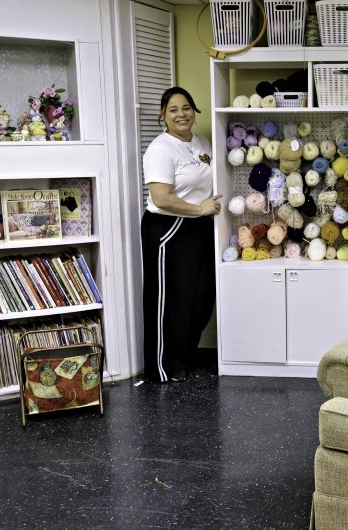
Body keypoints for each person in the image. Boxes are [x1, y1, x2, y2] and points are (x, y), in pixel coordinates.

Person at [141, 87, 222, 383]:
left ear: (194, 111)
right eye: (173, 109)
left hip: (199, 226)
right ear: (163, 115)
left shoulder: (202, 143)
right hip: (167, 228)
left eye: (186, 107)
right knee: (170, 298)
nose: (181, 114)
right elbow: (161, 198)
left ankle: (185, 356)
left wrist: (205, 210)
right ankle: (163, 366)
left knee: (201, 296)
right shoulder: (160, 148)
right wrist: (199, 209)